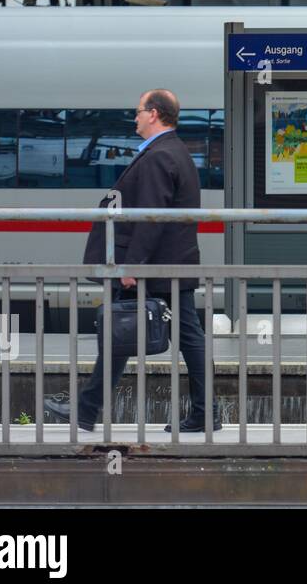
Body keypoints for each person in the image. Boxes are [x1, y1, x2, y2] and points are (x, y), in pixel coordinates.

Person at [45, 89, 219, 432]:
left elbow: (150, 215)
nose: (134, 117)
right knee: (140, 334)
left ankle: (88, 409)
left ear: (153, 113)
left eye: (138, 111)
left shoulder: (159, 156)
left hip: (154, 267)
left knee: (149, 334)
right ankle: (88, 409)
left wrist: (132, 266)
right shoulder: (173, 151)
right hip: (168, 264)